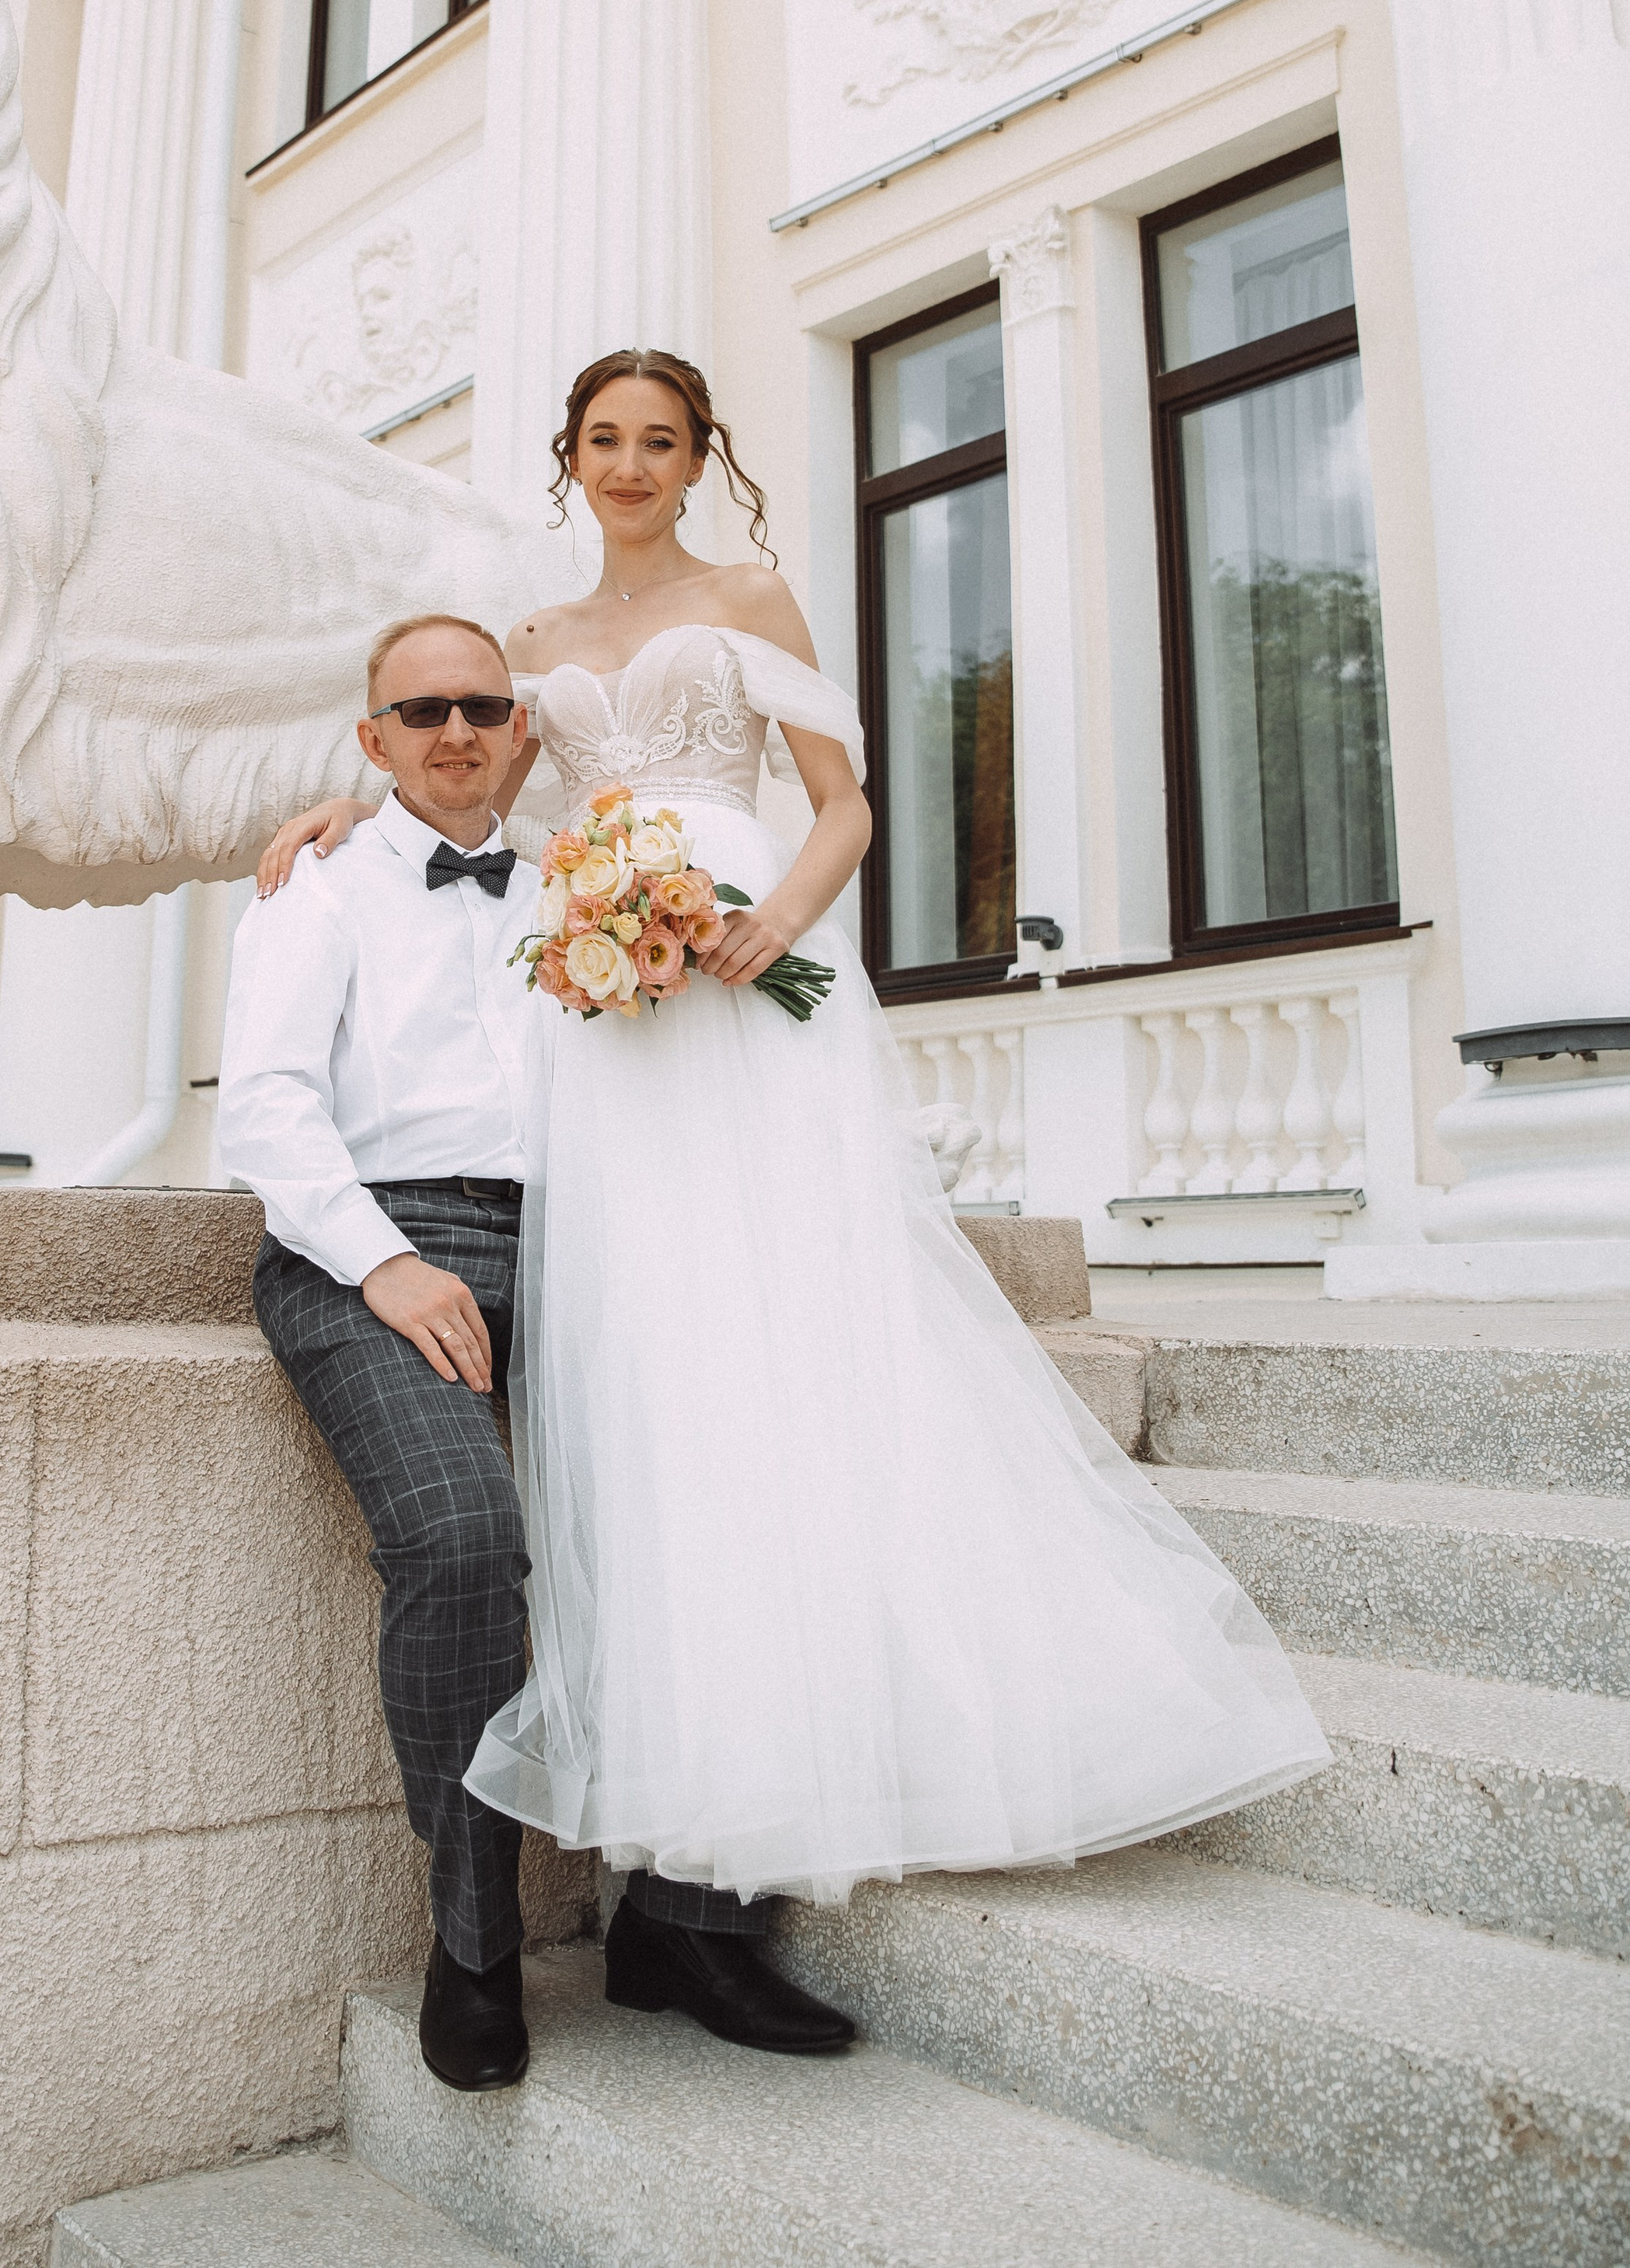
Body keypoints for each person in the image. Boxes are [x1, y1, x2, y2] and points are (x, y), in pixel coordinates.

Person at [257, 351, 1329, 2043]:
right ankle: (666, 1889)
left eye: (659, 440)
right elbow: (476, 796)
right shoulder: (526, 647)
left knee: (770, 1376)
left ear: (700, 459)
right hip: (611, 1028)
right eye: (603, 440)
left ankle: (715, 1897)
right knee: (651, 1423)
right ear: (569, 459)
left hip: (749, 986)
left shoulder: (751, 597)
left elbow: (843, 803)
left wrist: (775, 924)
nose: (630, 464)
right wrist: (344, 803)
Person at [217, 607, 854, 2099]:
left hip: (583, 1242)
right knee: (462, 1540)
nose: (455, 733)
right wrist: (384, 1263)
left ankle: (686, 1927)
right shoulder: (318, 890)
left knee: (716, 1521)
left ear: (523, 732)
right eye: (420, 713)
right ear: (373, 741)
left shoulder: (587, 876)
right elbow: (264, 1107)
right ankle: (476, 1937)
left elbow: (738, 1013)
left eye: (482, 710)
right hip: (373, 1248)